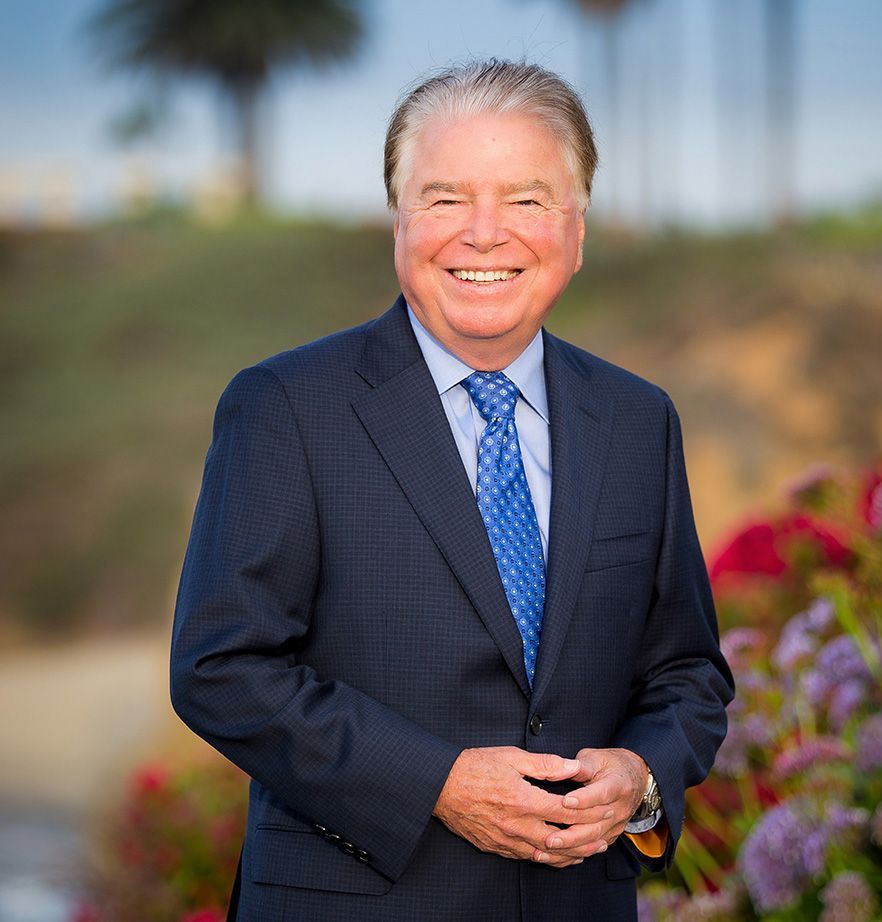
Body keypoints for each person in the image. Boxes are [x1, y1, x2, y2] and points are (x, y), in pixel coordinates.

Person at [170, 59, 734, 922]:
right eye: (444, 198)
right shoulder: (287, 406)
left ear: (576, 230)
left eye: (526, 199)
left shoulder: (637, 421)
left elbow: (686, 670)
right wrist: (438, 783)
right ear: (397, 222)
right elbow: (221, 668)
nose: (484, 233)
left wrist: (643, 776)